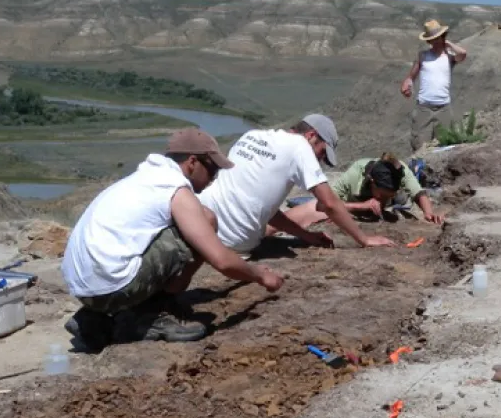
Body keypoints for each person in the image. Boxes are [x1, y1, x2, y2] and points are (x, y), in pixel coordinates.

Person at [61, 128, 284, 351]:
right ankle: (152, 314)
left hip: (85, 290)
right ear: (193, 162)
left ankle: (93, 318)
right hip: (111, 288)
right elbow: (221, 260)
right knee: (206, 220)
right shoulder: (174, 188)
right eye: (212, 169)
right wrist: (261, 275)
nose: (213, 179)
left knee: (179, 227)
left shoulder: (144, 178)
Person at [198, 113, 396, 253]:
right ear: (311, 136)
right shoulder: (299, 146)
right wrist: (364, 239)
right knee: (313, 205)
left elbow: (263, 208)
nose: (319, 161)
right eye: (321, 153)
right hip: (233, 243)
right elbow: (329, 204)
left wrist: (305, 235)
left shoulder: (251, 136)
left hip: (199, 223)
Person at [282, 153, 444, 229]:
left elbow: (418, 193)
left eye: (388, 195)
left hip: (395, 202)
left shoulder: (399, 171)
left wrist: (429, 213)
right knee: (315, 211)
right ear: (371, 182)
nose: (382, 199)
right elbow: (325, 204)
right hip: (353, 202)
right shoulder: (354, 174)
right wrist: (361, 206)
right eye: (381, 195)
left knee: (402, 200)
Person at [400, 19, 467, 155]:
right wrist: (407, 83)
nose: (435, 42)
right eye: (432, 39)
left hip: (444, 108)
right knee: (420, 146)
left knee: (445, 145)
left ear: (442, 37)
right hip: (424, 108)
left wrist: (448, 44)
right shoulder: (423, 56)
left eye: (438, 38)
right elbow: (411, 76)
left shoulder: (449, 57)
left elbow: (463, 54)